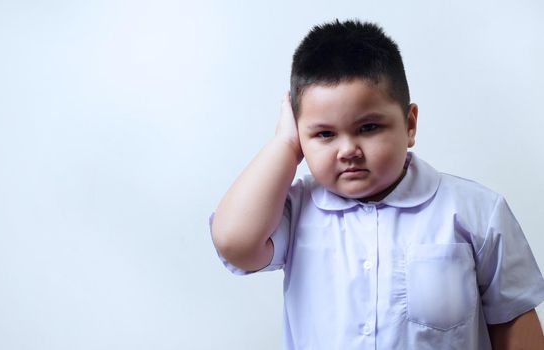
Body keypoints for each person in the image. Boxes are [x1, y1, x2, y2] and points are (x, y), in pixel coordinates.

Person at [210, 19, 544, 349]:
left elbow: (513, 321)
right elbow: (235, 243)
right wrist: (283, 145)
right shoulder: (296, 211)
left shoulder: (476, 212)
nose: (348, 151)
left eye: (368, 127)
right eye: (324, 134)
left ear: (409, 125)